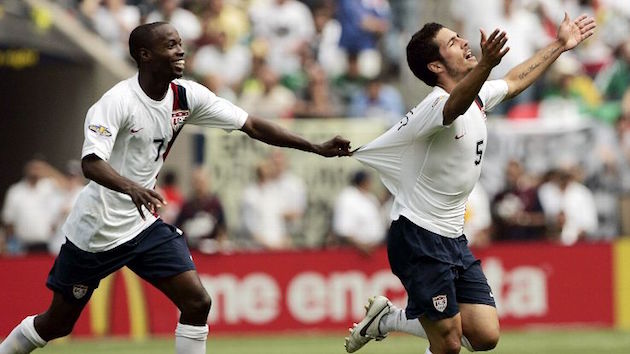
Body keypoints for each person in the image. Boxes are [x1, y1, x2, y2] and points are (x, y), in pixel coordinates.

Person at [0, 22, 350, 354]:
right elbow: (91, 164)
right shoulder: (116, 102)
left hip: (142, 225)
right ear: (144, 55)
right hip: (96, 230)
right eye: (171, 45)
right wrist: (133, 188)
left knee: (198, 301)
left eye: (180, 44)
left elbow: (252, 124)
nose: (181, 51)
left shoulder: (186, 96)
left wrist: (315, 146)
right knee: (57, 324)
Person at [346, 13, 595, 354]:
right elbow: (454, 106)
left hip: (451, 236)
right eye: (452, 42)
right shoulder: (436, 105)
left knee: (484, 336)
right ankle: (393, 322)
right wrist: (485, 65)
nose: (464, 42)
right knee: (448, 343)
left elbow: (515, 80)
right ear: (436, 66)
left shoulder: (476, 96)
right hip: (418, 235)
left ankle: (388, 319)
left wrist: (560, 45)